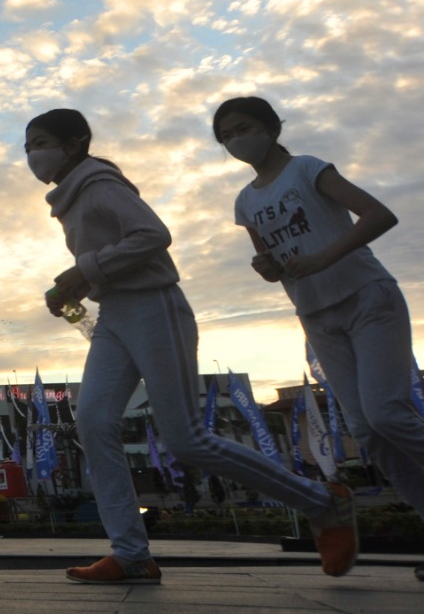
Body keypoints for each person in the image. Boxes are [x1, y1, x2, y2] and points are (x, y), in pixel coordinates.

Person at [27, 108, 358, 585]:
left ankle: (324, 502)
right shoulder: (72, 197)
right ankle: (132, 555)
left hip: (155, 308)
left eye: (41, 142)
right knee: (94, 421)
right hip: (116, 315)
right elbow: (111, 259)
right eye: (28, 147)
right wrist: (76, 287)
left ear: (75, 143)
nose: (34, 155)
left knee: (186, 438)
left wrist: (85, 270)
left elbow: (154, 235)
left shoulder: (99, 184)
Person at [213, 96, 424, 584]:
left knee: (387, 411)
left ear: (271, 126)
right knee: (369, 432)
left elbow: (378, 214)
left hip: (367, 298)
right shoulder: (246, 201)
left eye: (242, 128)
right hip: (316, 315)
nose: (234, 141)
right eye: (225, 136)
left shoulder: (308, 169)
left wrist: (325, 258)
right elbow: (270, 262)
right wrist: (265, 267)